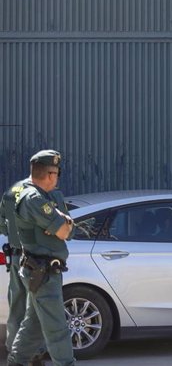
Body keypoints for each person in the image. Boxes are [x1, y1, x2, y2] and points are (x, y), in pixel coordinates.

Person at [7, 150, 76, 366]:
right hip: (42, 271)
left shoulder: (46, 196)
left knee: (33, 325)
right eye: (57, 172)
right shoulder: (33, 198)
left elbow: (69, 230)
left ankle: (15, 362)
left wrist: (61, 224)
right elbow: (64, 232)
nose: (57, 177)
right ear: (50, 174)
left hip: (44, 270)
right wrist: (61, 224)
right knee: (57, 329)